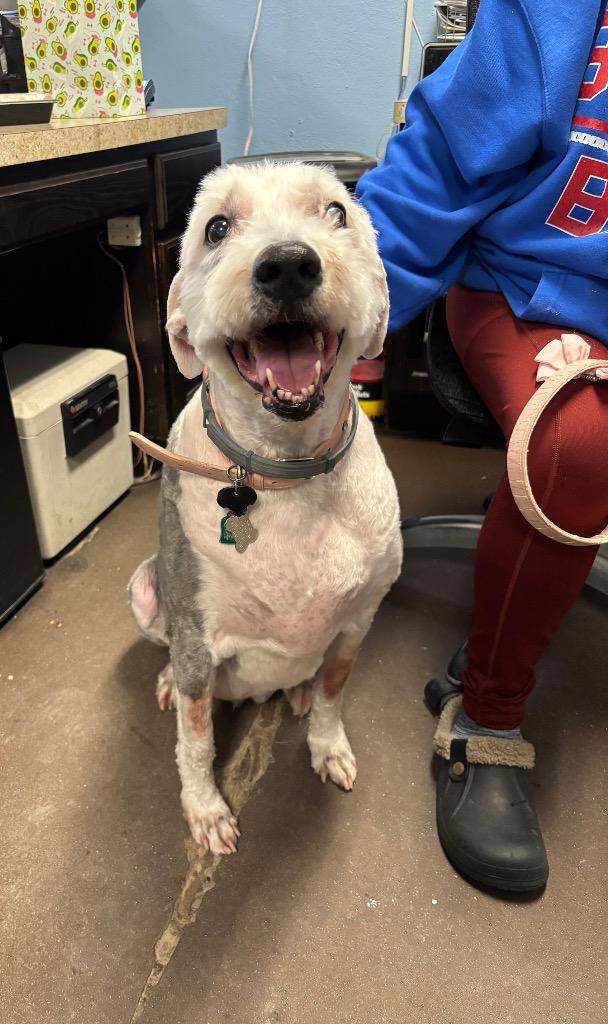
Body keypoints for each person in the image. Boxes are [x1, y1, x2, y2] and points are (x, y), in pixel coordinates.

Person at [356, 0, 608, 892]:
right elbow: (432, 174)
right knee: (574, 444)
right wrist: (345, 316)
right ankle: (486, 720)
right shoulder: (554, 18)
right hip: (521, 289)